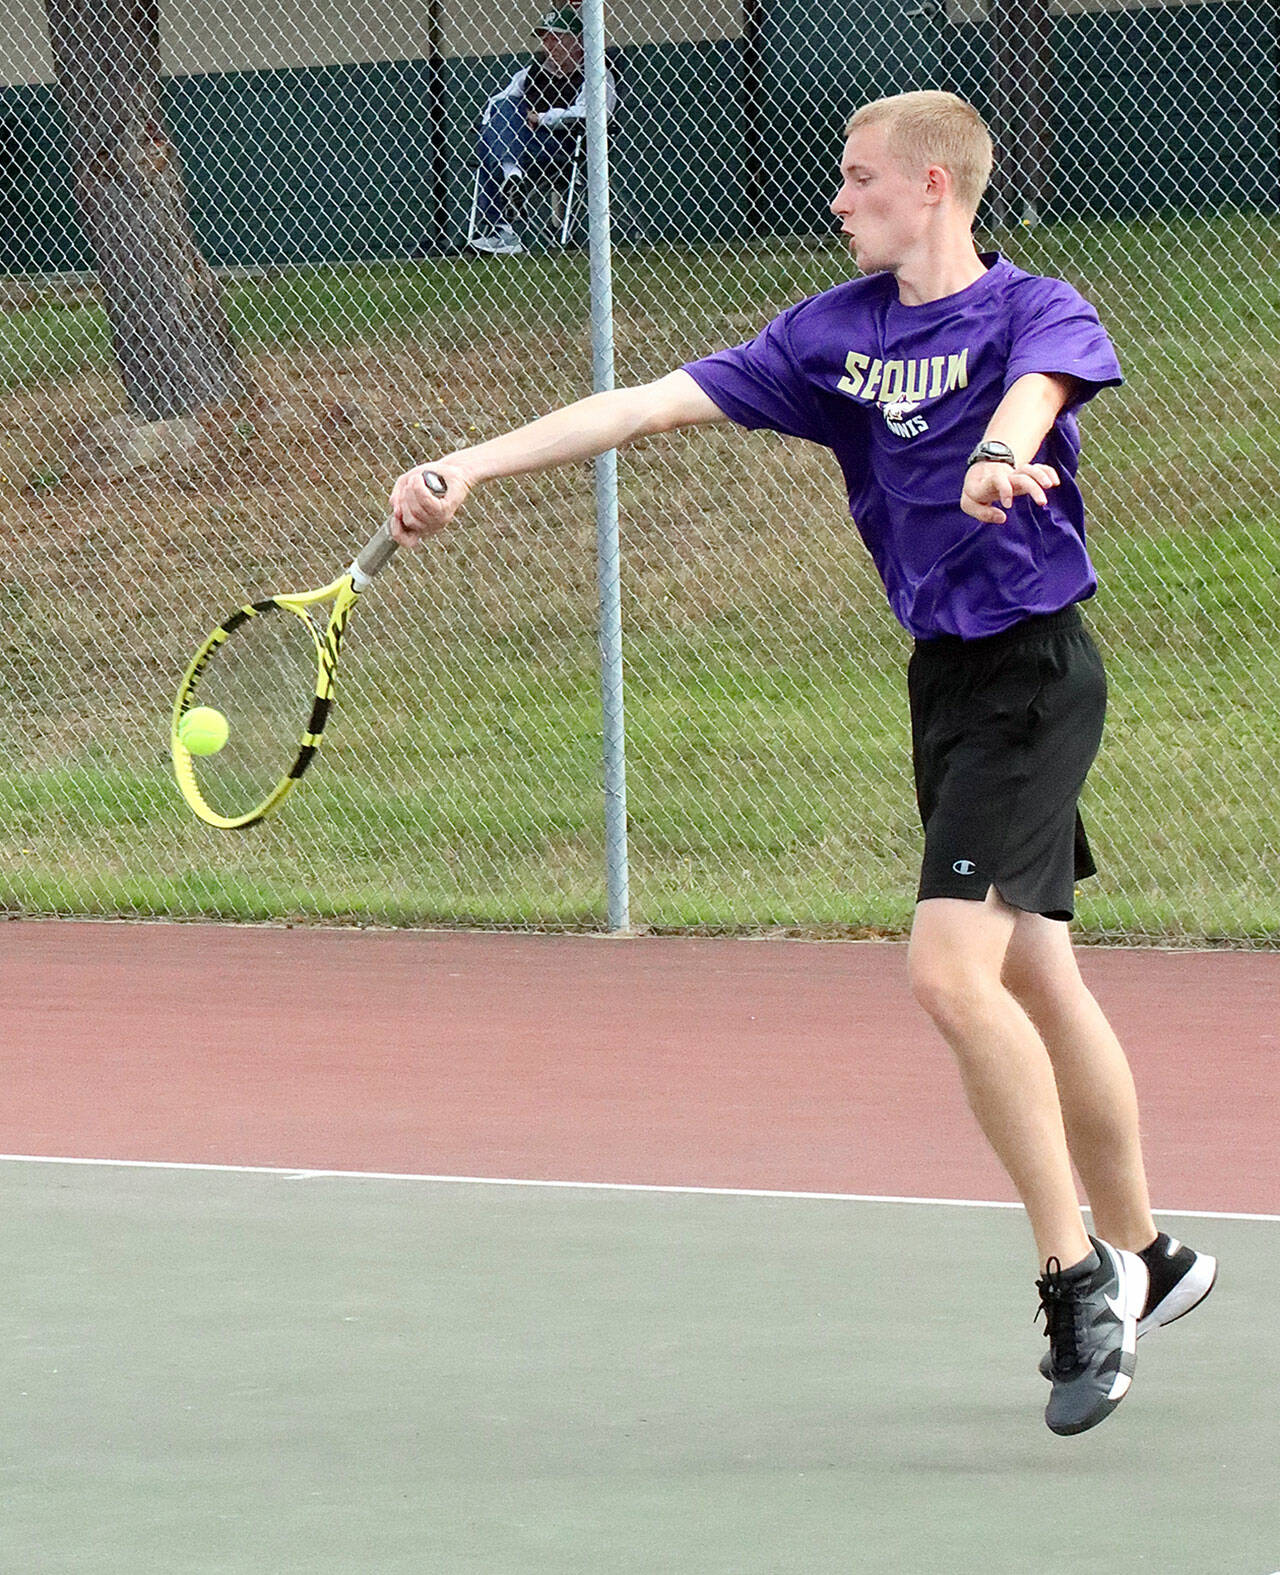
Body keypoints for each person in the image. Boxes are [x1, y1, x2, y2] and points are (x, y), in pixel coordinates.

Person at [391, 89, 1217, 1436]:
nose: (838, 200)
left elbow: (1039, 392)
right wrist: (469, 464)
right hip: (946, 684)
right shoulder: (830, 338)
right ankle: (1154, 1250)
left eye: (859, 179)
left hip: (1034, 674)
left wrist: (1005, 455)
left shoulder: (1033, 307)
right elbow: (648, 402)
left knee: (950, 973)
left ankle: (1079, 1281)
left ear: (935, 187)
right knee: (1039, 973)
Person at [469, 7, 617, 256]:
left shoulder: (596, 73)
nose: (550, 45)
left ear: (578, 40)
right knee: (502, 110)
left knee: (491, 147)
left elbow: (590, 114)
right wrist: (500, 125)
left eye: (557, 37)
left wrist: (543, 118)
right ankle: (511, 176)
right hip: (523, 144)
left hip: (563, 146)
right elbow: (495, 104)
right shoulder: (530, 74)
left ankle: (503, 226)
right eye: (546, 38)